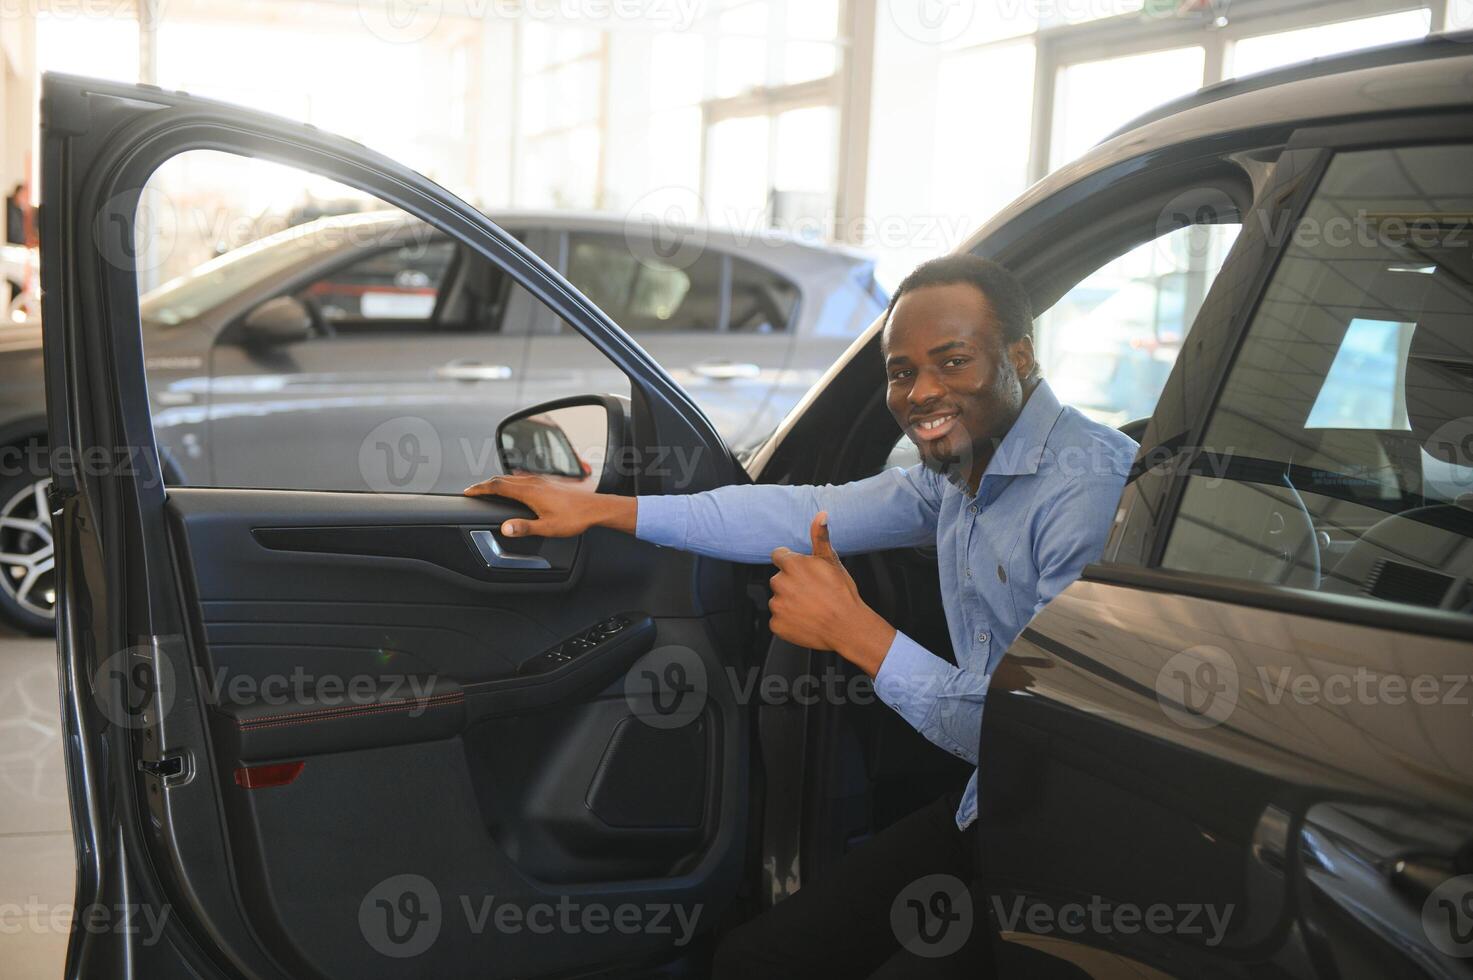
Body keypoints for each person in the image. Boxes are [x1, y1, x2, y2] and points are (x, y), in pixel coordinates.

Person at [465, 254, 1138, 977]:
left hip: (1077, 843)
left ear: (1020, 357)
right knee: (759, 961)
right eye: (901, 371)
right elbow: (792, 509)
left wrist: (855, 633)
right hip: (989, 806)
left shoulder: (1087, 490)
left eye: (951, 361)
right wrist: (606, 509)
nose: (921, 392)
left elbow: (1037, 740)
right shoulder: (953, 478)